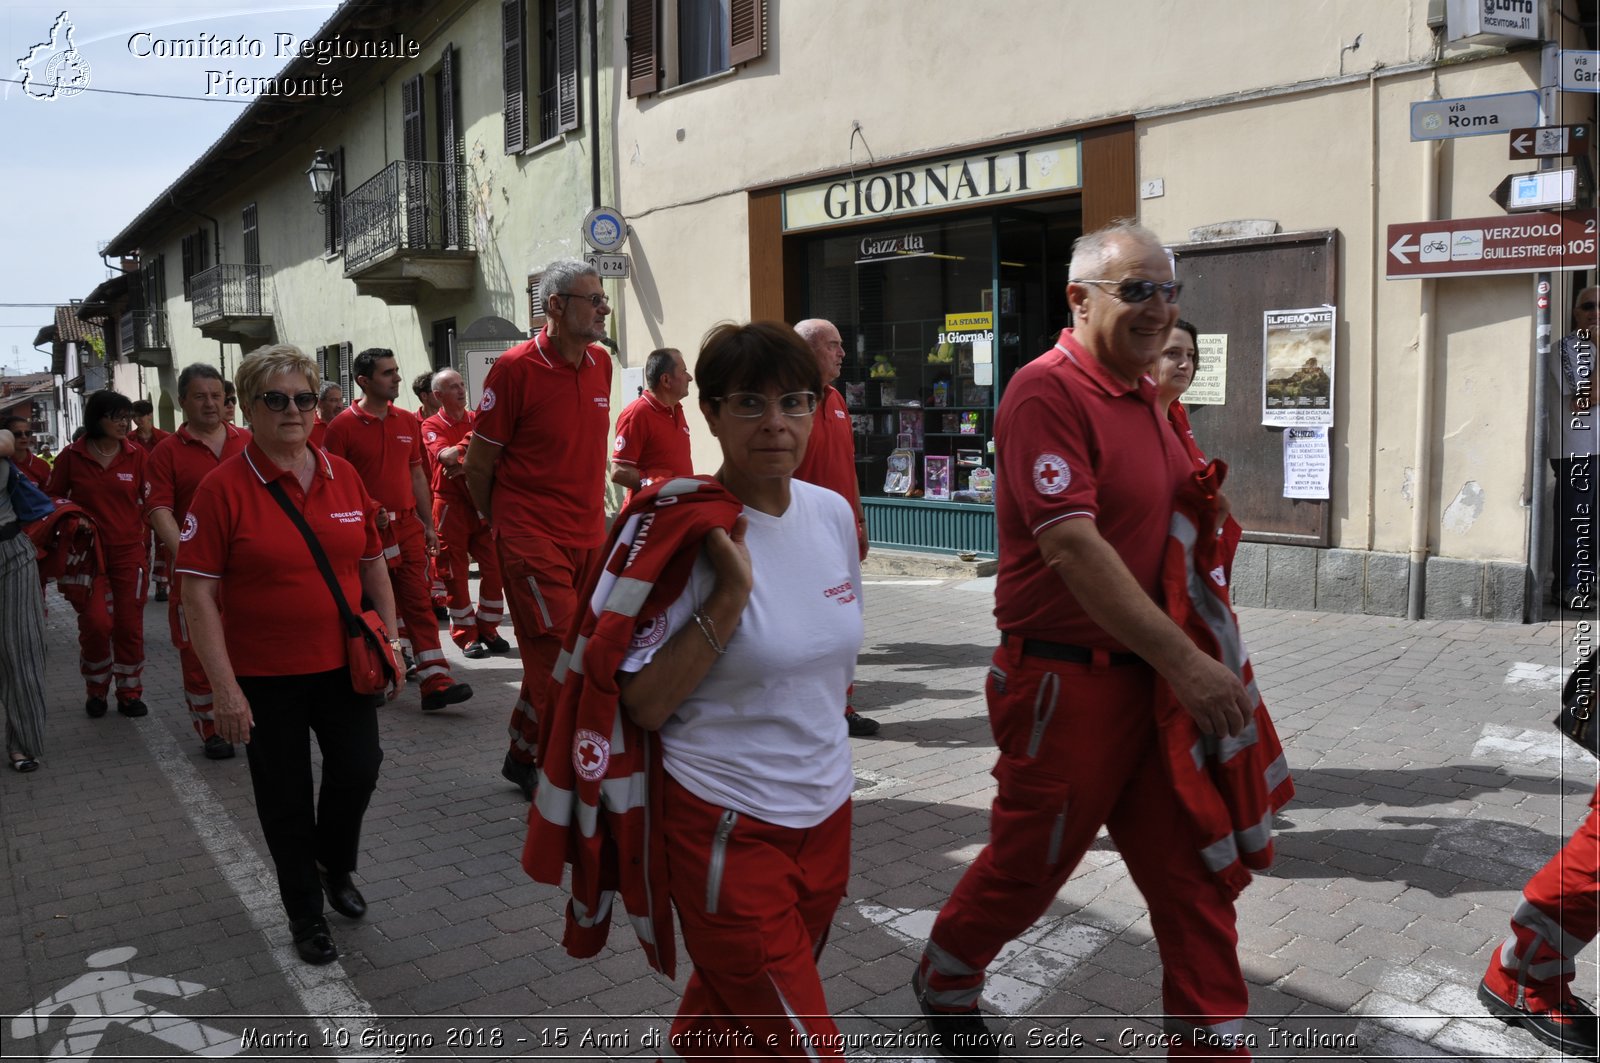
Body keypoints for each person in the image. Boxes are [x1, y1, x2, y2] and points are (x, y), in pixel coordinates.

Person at [912, 221, 1258, 1061]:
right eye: (1137, 289)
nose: (1159, 309)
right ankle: (947, 975)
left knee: (1195, 878)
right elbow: (1072, 547)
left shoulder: (1150, 398)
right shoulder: (1044, 392)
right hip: (1069, 685)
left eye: (1169, 290)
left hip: (1154, 687)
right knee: (1033, 862)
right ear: (1080, 298)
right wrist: (1189, 661)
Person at [616, 321, 864, 1058]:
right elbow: (644, 703)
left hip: (827, 813)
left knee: (732, 1014)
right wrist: (728, 594)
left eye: (794, 401)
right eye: (751, 404)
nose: (777, 423)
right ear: (711, 413)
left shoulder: (832, 513)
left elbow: (833, 663)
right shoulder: (676, 528)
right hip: (727, 824)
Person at [176, 343, 398, 966]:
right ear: (248, 407)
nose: (294, 410)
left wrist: (395, 638)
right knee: (285, 800)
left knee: (359, 768)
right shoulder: (223, 489)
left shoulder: (340, 473)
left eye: (303, 397)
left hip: (344, 663)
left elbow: (371, 560)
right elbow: (197, 592)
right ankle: (306, 913)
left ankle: (333, 863)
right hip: (265, 675)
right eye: (276, 400)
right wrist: (224, 689)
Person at [465, 258, 612, 800]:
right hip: (530, 537)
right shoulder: (514, 369)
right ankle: (565, 776)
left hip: (588, 537)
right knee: (563, 662)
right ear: (555, 306)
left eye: (602, 298)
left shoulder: (600, 364)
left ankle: (523, 754)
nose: (603, 308)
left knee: (561, 653)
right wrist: (503, 522)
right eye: (592, 299)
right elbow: (479, 465)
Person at [324, 349, 473, 714]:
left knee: (419, 602)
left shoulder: (407, 421)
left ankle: (436, 680)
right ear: (363, 381)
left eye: (396, 371)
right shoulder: (341, 427)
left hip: (407, 526)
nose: (397, 379)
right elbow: (333, 485)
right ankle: (372, 672)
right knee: (366, 606)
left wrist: (427, 524)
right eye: (388, 373)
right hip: (365, 531)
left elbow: (417, 475)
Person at [144, 363, 251, 759]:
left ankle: (251, 714)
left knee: (250, 644)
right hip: (195, 574)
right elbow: (159, 510)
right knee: (196, 650)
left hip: (247, 571)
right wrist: (192, 557)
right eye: (200, 397)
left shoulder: (249, 441)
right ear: (184, 401)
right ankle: (211, 727)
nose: (210, 404)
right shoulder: (166, 453)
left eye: (216, 396)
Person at [793, 318, 878, 739]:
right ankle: (812, 708)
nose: (843, 353)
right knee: (810, 627)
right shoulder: (791, 402)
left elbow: (847, 467)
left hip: (841, 534)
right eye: (834, 345)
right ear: (808, 350)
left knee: (847, 624)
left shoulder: (837, 400)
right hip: (804, 537)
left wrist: (859, 520)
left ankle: (842, 707)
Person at [48, 389, 151, 719]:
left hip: (128, 554)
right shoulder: (71, 456)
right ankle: (96, 688)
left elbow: (153, 501)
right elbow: (50, 498)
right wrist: (73, 515)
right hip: (88, 556)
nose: (125, 423)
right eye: (117, 417)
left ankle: (129, 692)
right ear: (98, 418)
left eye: (127, 417)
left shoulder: (137, 456)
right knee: (95, 623)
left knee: (129, 625)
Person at [422, 368, 507, 658]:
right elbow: (444, 457)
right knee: (455, 575)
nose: (461, 390)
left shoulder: (475, 419)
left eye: (461, 384)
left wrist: (463, 461)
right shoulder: (432, 424)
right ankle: (466, 636)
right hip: (449, 506)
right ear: (438, 396)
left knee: (495, 568)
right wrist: (472, 447)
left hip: (481, 501)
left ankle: (488, 627)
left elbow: (495, 455)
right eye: (453, 387)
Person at [1156, 320, 1242, 573]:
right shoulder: (1132, 420)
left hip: (1189, 560)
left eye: (1191, 356)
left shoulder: (1177, 414)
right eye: (1172, 353)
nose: (1185, 364)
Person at [0, 425, 49, 772]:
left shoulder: (2, 437)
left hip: (10, 551)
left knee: (22, 648)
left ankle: (23, 744)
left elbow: (5, 441)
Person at [1550, 286, 1598, 610]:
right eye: (1588, 306)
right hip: (1575, 450)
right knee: (1575, 521)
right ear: (1575, 313)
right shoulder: (1566, 348)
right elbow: (1584, 401)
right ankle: (1568, 586)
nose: (1595, 312)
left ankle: (1586, 581)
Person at [610, 346, 694, 498]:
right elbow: (618, 471)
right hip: (650, 516)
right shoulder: (637, 414)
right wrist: (653, 482)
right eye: (683, 372)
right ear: (666, 380)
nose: (690, 377)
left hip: (677, 511)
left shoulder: (676, 409)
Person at [6, 416, 52, 487]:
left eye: (27, 433)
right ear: (7, 436)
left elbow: (49, 495)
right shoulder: (3, 464)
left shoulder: (42, 466)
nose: (24, 437)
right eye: (17, 434)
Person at [310, 382, 343, 450]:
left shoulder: (346, 424)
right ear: (320, 403)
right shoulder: (308, 427)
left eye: (341, 400)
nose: (339, 405)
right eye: (334, 400)